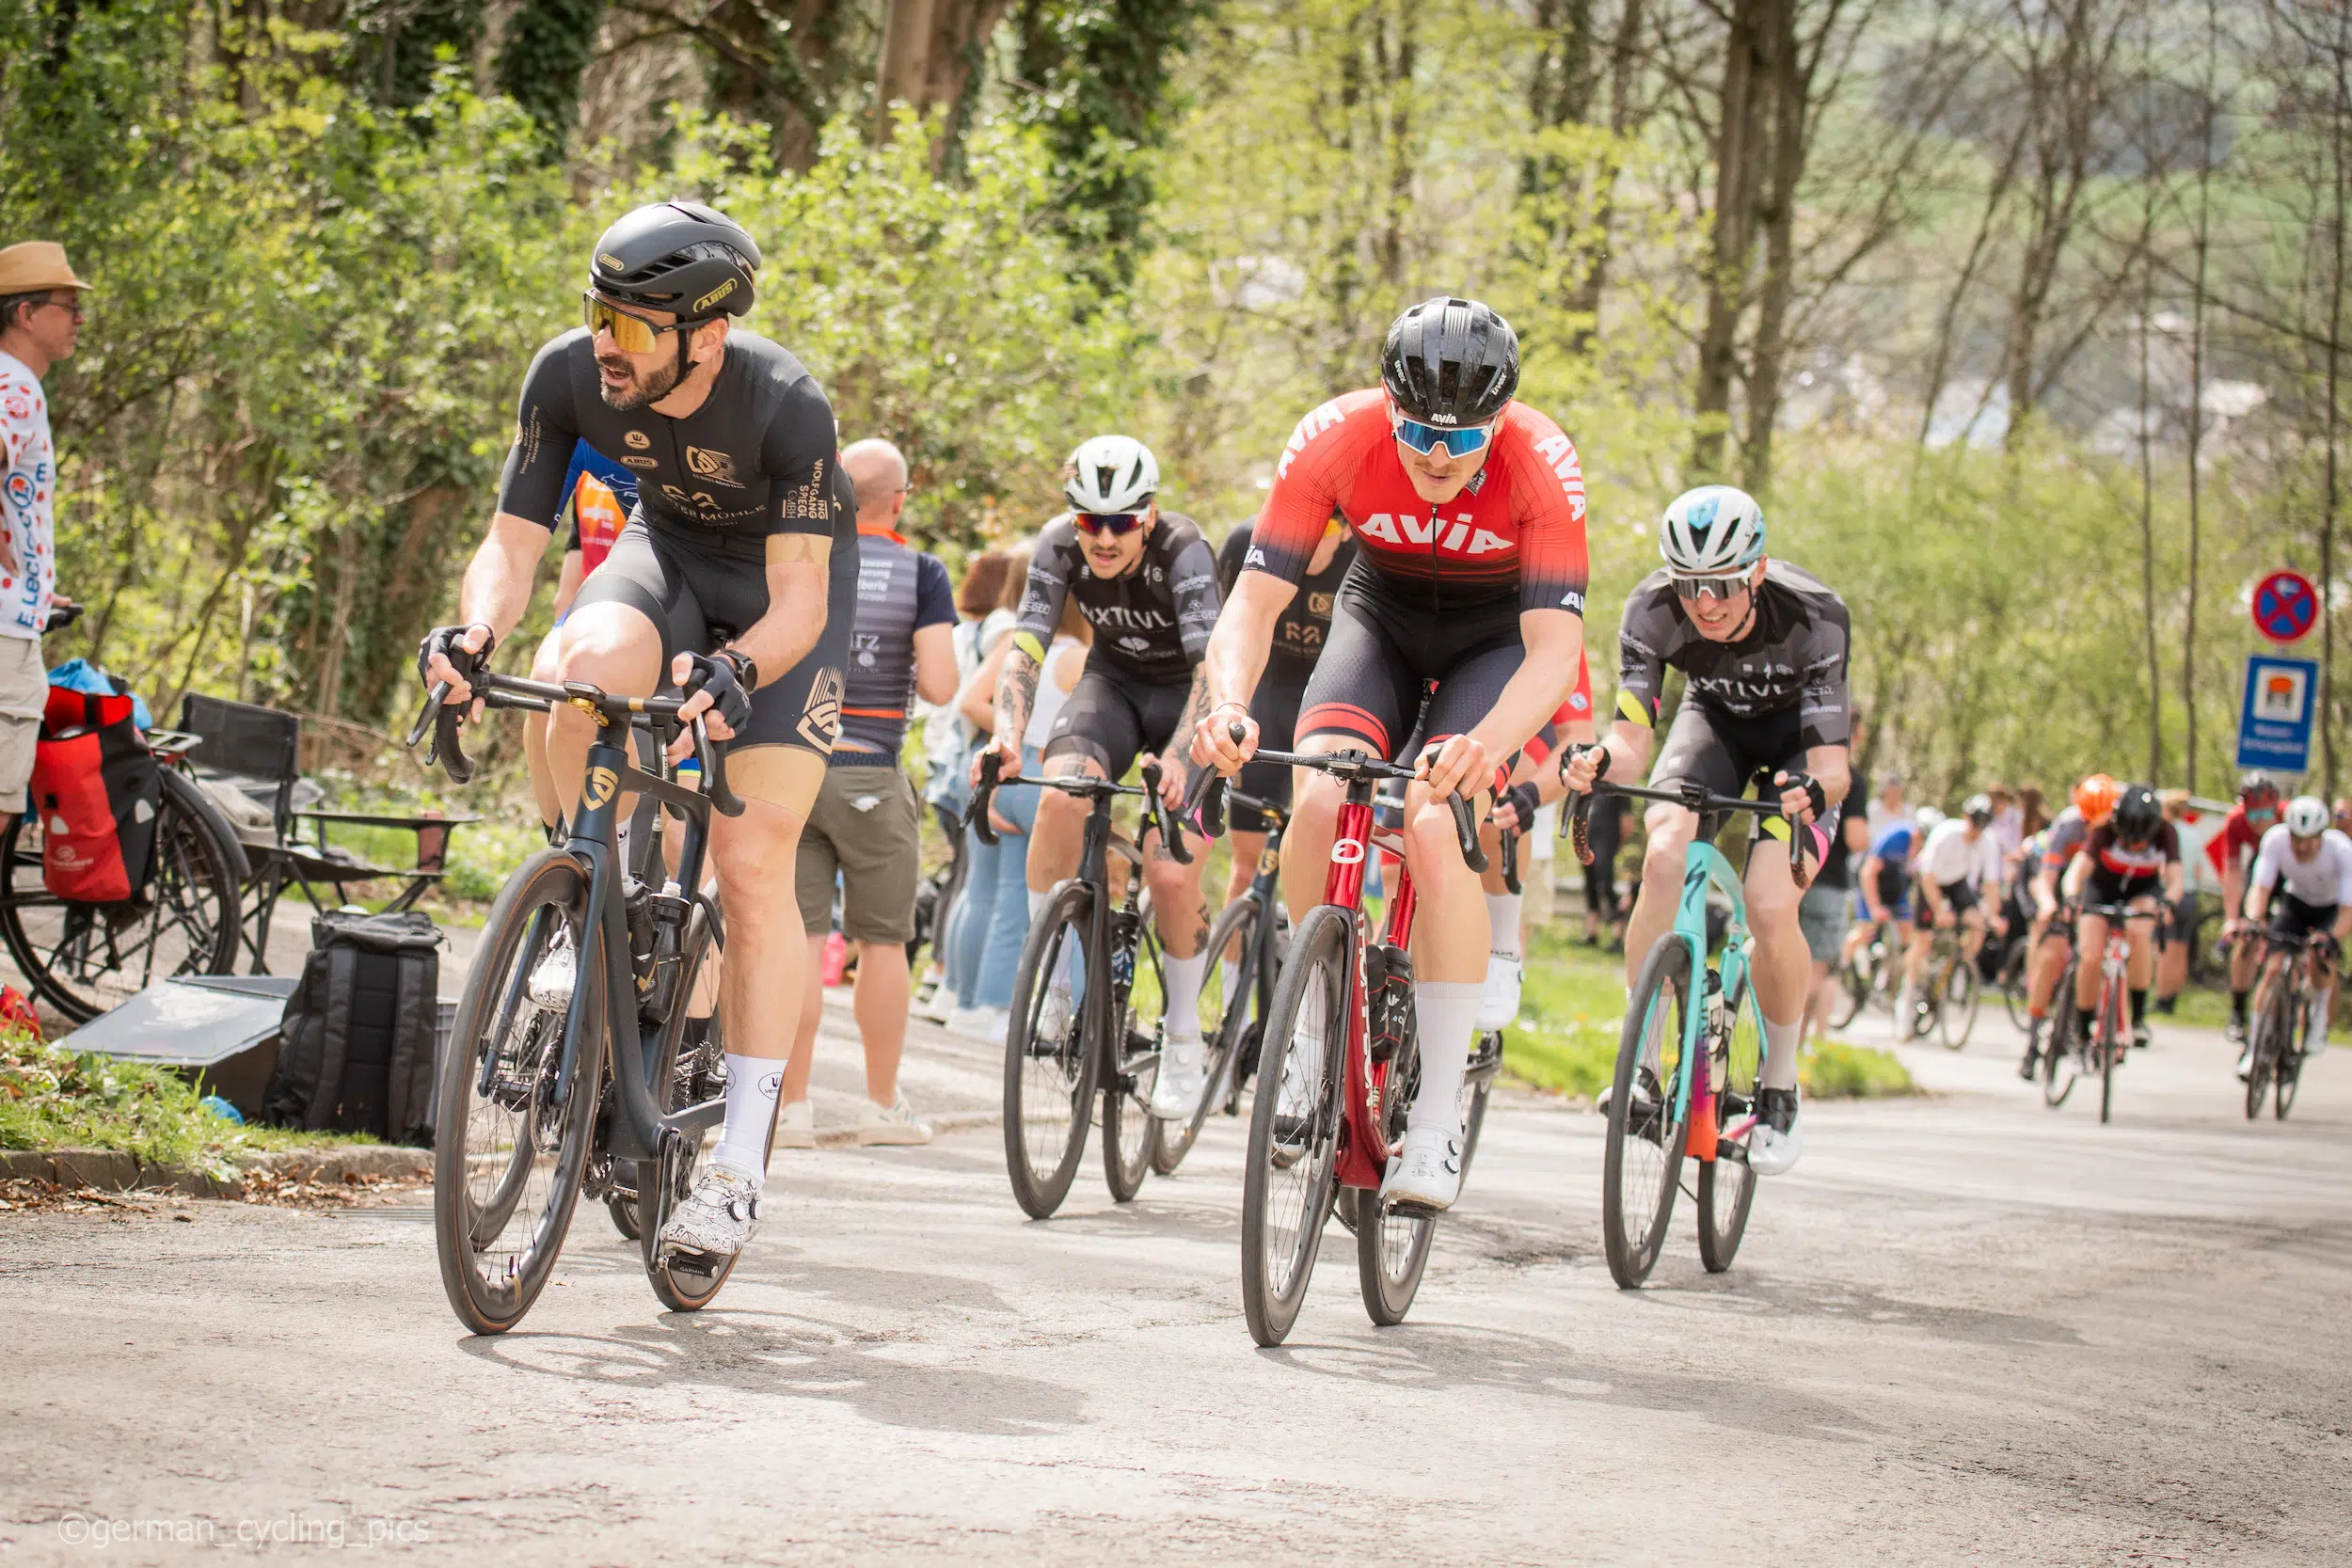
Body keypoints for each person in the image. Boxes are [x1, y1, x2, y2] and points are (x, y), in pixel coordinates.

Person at [421, 201, 856, 1265]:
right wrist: (477, 629)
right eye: (597, 315)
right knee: (576, 667)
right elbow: (512, 543)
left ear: (705, 333)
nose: (605, 345)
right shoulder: (569, 372)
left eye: (633, 327)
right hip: (665, 562)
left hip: (782, 606)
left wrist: (740, 667)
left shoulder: (787, 404)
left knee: (753, 861)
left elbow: (799, 600)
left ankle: (739, 1167)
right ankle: (585, 894)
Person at [1196, 296, 1590, 1210]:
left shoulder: (1543, 463)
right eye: (1416, 431)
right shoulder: (1334, 437)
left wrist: (1487, 748)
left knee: (1430, 820)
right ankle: (1309, 1030)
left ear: (1502, 420)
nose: (1438, 456)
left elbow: (1553, 655)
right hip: (1378, 617)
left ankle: (1438, 1119)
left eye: (1464, 439)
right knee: (1323, 792)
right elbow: (1252, 603)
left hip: (1491, 642)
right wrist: (1227, 704)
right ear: (1385, 401)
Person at [1560, 482, 1846, 1177]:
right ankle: (1643, 1064)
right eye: (1690, 585)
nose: (1705, 603)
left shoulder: (1815, 615)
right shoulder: (1651, 609)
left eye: (1721, 583)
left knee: (1770, 904)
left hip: (1795, 752)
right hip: (1711, 726)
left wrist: (1812, 790)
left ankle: (1779, 1083)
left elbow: (1833, 765)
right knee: (1662, 853)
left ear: (1757, 569)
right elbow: (1633, 738)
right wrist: (1599, 757)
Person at [978, 436, 1223, 1123]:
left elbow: (1212, 670)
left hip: (1191, 699)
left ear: (1148, 514)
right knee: (1059, 798)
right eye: (1092, 520)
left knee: (1171, 872)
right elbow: (1024, 649)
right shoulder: (1058, 544)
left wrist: (1179, 757)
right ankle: (1054, 987)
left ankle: (1182, 1038)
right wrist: (1006, 735)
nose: (1106, 537)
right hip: (1113, 687)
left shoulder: (1185, 550)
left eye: (1122, 521)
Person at [776, 438, 956, 1148]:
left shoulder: (804, 556)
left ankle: (788, 1107)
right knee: (884, 942)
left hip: (793, 765)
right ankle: (881, 1105)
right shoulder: (923, 573)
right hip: (871, 774)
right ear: (900, 500)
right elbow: (942, 685)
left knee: (795, 938)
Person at [1212, 510, 1354, 936]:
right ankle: (1233, 992)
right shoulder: (1246, 542)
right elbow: (1224, 630)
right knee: (1246, 865)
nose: (1309, 536)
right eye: (1302, 522)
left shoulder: (1363, 557)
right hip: (1268, 692)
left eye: (1325, 526)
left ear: (1348, 529)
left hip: (1333, 695)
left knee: (1330, 867)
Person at [0, 241, 90, 833]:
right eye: (67, 305)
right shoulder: (17, 386)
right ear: (26, 314)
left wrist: (34, 581)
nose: (79, 319)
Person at [524, 440, 641, 836]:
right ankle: (560, 844)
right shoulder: (588, 473)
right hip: (590, 609)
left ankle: (609, 851)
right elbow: (568, 585)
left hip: (646, 615)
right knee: (545, 679)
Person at [2236, 794, 2352, 1076]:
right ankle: (2254, 1049)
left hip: (2330, 909)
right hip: (2295, 904)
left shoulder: (2342, 850)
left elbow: (2348, 910)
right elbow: (2260, 889)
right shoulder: (2275, 840)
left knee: (2319, 958)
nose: (2300, 846)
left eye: (2308, 840)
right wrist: (2254, 919)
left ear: (2321, 837)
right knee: (2272, 969)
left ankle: (2318, 1016)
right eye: (2295, 838)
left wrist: (2331, 938)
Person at [2062, 783, 2181, 1052]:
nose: (2133, 846)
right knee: (2091, 956)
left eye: (2140, 841)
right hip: (2101, 888)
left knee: (2140, 931)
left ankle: (2137, 1017)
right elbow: (2077, 871)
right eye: (2127, 839)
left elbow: (2175, 880)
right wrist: (2071, 896)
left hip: (2142, 889)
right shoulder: (2103, 830)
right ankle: (2082, 1028)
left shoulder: (2166, 833)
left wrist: (2169, 904)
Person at [2017, 774, 2117, 1080]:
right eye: (2088, 820)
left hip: (2092, 892)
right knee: (2051, 954)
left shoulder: (2118, 829)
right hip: (2056, 884)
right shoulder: (2067, 825)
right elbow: (2046, 877)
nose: (2091, 828)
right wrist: (2049, 905)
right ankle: (2032, 1043)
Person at [1911, 795, 2002, 1018]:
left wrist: (1995, 915)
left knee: (1978, 924)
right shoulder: (1945, 834)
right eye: (1974, 824)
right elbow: (1928, 876)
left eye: (1981, 827)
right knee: (1923, 941)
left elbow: (1991, 885)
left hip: (1957, 883)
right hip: (1931, 882)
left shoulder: (1988, 842)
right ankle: (1910, 992)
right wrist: (1940, 909)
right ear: (1965, 818)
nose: (1976, 832)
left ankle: (1958, 970)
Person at [2211, 769, 2283, 1045]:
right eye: (2253, 816)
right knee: (2246, 935)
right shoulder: (2235, 821)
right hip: (2259, 870)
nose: (2259, 823)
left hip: (2288, 872)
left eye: (2266, 815)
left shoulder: (2289, 816)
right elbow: (2232, 872)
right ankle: (2238, 1011)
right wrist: (2232, 919)